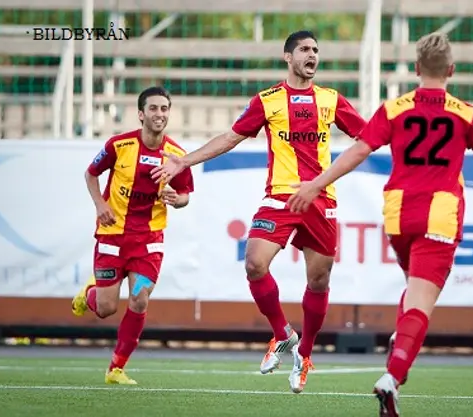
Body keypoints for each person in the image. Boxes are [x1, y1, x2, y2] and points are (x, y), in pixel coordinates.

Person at [286, 32, 473, 416]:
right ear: (451, 70)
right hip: (440, 214)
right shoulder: (465, 113)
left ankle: (401, 337)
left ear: (415, 69)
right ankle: (392, 377)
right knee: (422, 305)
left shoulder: (393, 109)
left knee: (414, 290)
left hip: (398, 214)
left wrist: (316, 184)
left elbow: (358, 150)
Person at [150, 30, 367, 393]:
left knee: (319, 280)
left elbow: (368, 138)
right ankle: (283, 334)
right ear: (288, 57)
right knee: (254, 263)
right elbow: (230, 138)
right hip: (280, 197)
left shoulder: (331, 99)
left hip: (320, 199)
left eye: (316, 50)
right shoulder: (268, 100)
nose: (312, 55)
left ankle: (305, 356)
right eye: (305, 50)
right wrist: (183, 161)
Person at [71, 86, 195, 385]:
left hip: (148, 241)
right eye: (153, 108)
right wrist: (100, 204)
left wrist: (178, 200)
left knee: (139, 299)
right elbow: (90, 173)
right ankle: (89, 294)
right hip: (113, 236)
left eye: (164, 109)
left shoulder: (177, 156)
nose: (159, 114)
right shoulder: (119, 145)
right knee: (106, 308)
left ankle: (116, 368)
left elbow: (186, 194)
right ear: (141, 114)